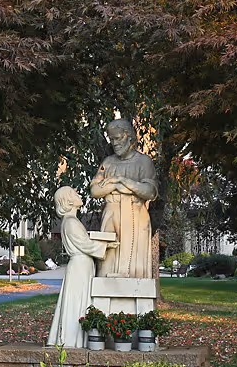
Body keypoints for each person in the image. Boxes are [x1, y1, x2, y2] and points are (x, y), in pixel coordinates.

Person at [90, 118, 158, 278]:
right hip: (111, 214)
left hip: (135, 216)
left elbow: (149, 191)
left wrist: (123, 181)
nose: (114, 143)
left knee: (135, 271)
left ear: (129, 136)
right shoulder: (108, 162)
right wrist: (115, 184)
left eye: (118, 138)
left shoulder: (143, 161)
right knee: (107, 265)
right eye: (111, 139)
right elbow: (94, 190)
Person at [46, 186, 111, 347]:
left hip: (83, 265)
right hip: (80, 265)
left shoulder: (71, 221)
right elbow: (85, 245)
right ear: (68, 200)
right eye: (75, 193)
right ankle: (71, 339)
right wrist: (107, 246)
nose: (79, 193)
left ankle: (76, 339)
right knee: (77, 301)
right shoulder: (70, 222)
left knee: (81, 301)